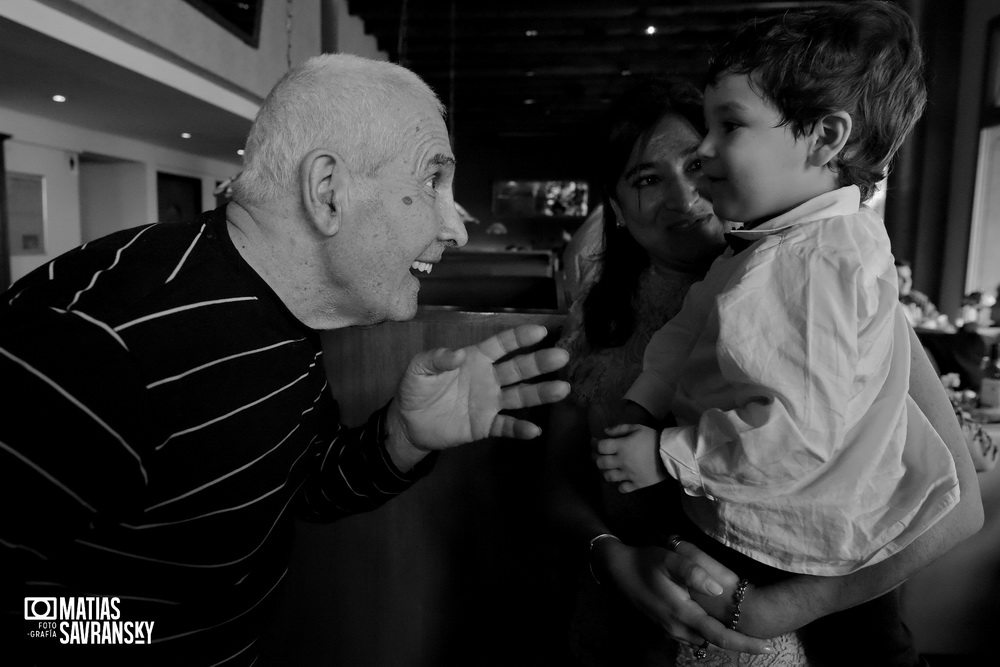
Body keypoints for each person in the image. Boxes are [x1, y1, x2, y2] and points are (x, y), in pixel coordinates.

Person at [1, 54, 570, 666]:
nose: (457, 229)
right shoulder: (96, 344)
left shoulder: (285, 311)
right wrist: (158, 623)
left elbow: (300, 488)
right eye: (433, 181)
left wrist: (401, 437)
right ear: (327, 190)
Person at [545, 74, 982, 665]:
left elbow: (958, 509)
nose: (684, 193)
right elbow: (556, 486)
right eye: (648, 179)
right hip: (625, 631)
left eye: (696, 163)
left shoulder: (833, 296)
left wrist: (782, 608)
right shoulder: (595, 327)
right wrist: (613, 560)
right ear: (618, 208)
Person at [895, 258, 941, 328]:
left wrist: (929, 323)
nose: (907, 281)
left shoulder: (918, 298)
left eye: (909, 277)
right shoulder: (879, 300)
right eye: (900, 277)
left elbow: (939, 320)